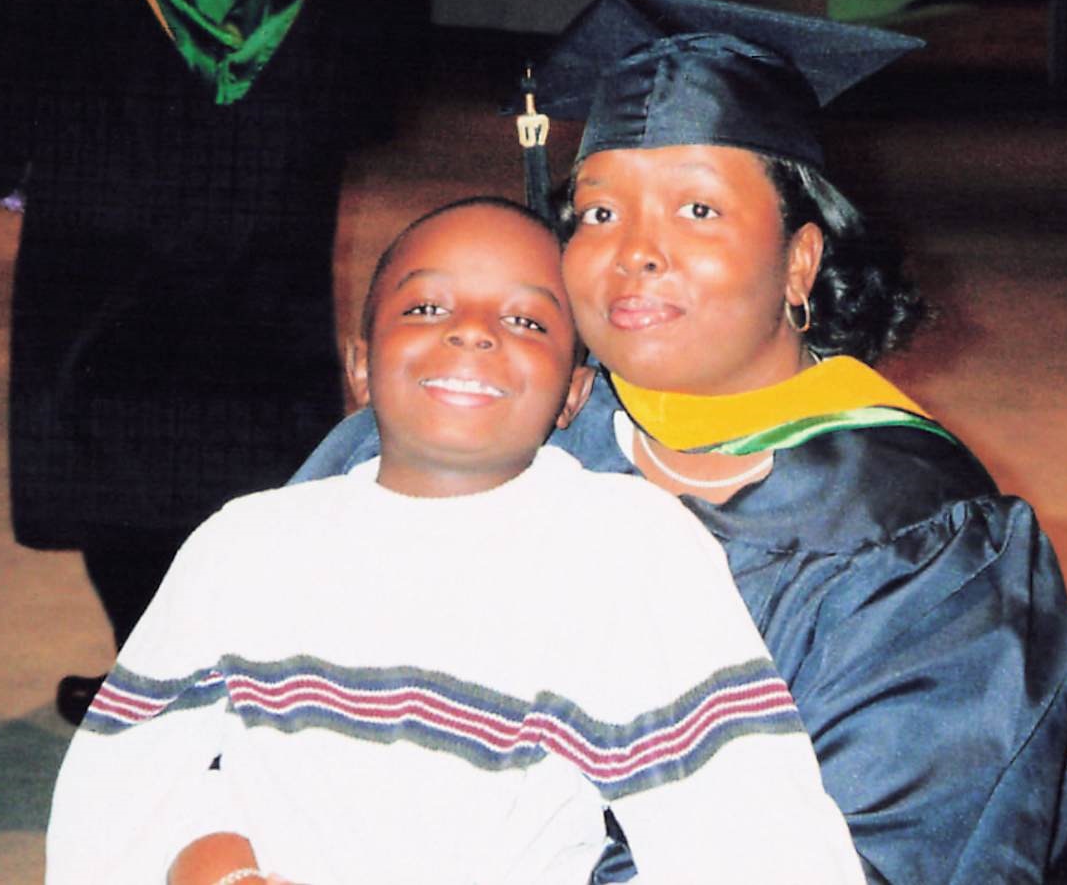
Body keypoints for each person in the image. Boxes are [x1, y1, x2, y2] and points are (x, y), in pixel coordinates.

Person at [297, 0, 1067, 883]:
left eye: (698, 210)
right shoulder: (486, 427)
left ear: (799, 259)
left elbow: (889, 856)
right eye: (598, 213)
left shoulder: (907, 538)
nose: (633, 251)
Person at [45, 197, 867, 885]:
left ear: (573, 393)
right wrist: (216, 866)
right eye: (426, 308)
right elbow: (125, 777)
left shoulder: (623, 552)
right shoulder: (250, 543)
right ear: (361, 363)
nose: (473, 332)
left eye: (525, 320)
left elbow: (740, 817)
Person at [0, 0, 417, 723]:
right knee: (245, 434)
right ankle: (238, 675)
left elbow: (14, 11)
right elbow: (390, 27)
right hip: (269, 193)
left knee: (113, 439)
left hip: (107, 192)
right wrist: (311, 128)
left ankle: (151, 667)